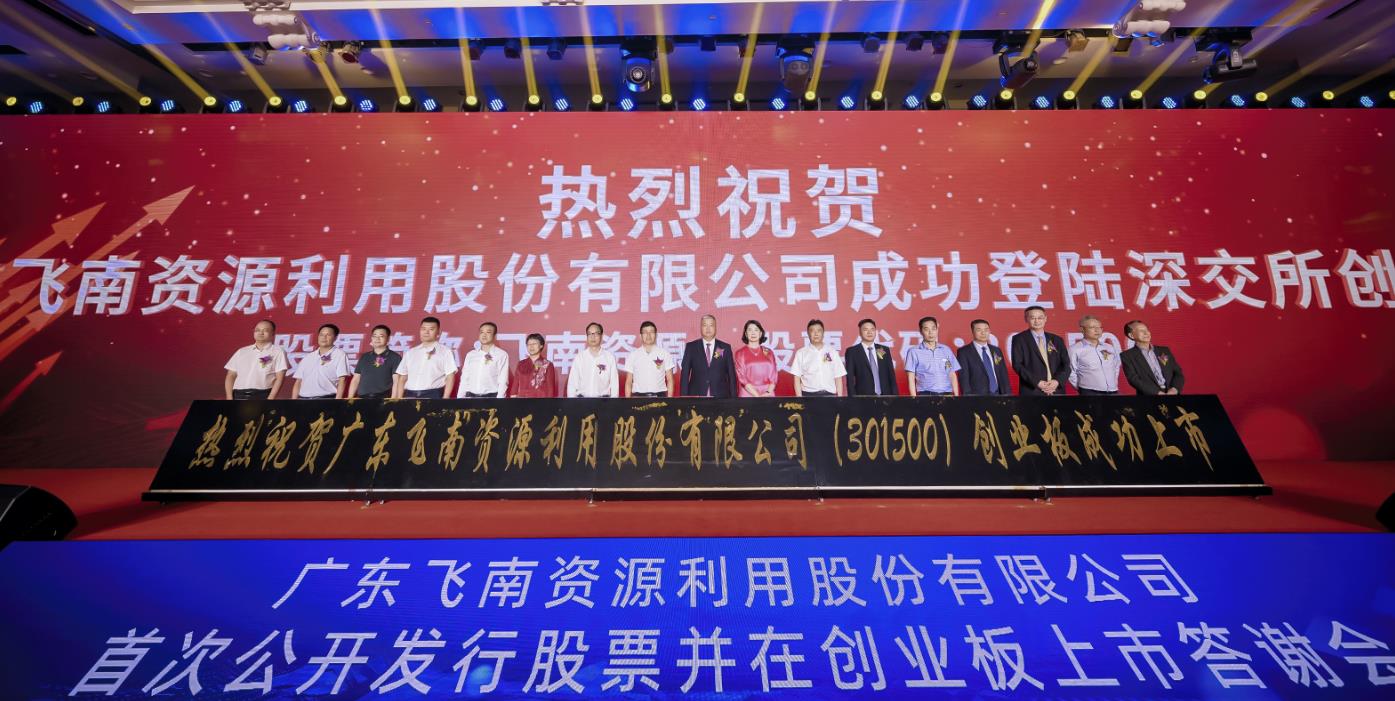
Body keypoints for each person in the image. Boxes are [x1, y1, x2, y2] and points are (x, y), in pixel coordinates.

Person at [1010, 306, 1071, 396]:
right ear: (1026, 319)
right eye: (1033, 318)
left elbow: (1066, 364)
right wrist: (1037, 382)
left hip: (1056, 389)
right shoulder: (1019, 339)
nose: (1037, 321)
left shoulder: (1057, 339)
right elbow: (1017, 365)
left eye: (1040, 318)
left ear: (1045, 319)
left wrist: (1057, 381)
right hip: (1032, 390)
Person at [392, 316, 457, 399]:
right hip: (409, 395)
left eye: (431, 329)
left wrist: (445, 398)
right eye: (423, 329)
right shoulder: (410, 352)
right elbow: (403, 378)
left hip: (433, 394)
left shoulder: (446, 352)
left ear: (438, 333)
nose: (426, 332)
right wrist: (399, 399)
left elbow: (450, 376)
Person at [223, 319, 288, 400]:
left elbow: (280, 378)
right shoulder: (242, 351)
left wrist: (270, 399)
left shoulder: (278, 351)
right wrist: (229, 397)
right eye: (257, 330)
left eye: (265, 330)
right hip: (238, 395)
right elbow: (231, 375)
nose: (261, 333)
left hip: (262, 395)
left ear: (273, 333)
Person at [678, 313, 737, 398]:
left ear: (715, 328)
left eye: (711, 325)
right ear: (700, 328)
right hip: (696, 396)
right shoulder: (691, 347)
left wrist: (734, 399)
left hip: (721, 397)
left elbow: (731, 375)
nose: (708, 328)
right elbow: (685, 374)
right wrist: (683, 398)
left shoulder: (725, 347)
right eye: (705, 325)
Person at [1121, 320, 1186, 395]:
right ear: (1131, 335)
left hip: (1171, 394)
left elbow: (1177, 373)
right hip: (1149, 397)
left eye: (1147, 330)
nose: (1146, 333)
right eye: (1141, 330)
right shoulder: (1127, 356)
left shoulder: (1164, 351)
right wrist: (1157, 393)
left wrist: (1174, 389)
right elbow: (1134, 380)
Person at [290, 323, 351, 399]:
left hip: (326, 399)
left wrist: (337, 401)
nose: (324, 337)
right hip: (303, 399)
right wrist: (294, 401)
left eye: (328, 335)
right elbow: (298, 381)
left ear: (335, 338)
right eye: (321, 334)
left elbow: (342, 379)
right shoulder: (308, 357)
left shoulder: (340, 355)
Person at [904, 316, 960, 396]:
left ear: (937, 330)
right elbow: (911, 377)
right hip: (926, 394)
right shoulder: (914, 351)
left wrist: (956, 396)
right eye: (926, 329)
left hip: (947, 394)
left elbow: (952, 374)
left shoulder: (946, 350)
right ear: (921, 331)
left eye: (933, 329)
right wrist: (914, 399)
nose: (930, 332)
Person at [1068, 315, 1121, 395]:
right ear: (1082, 329)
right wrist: (1082, 388)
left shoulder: (1109, 347)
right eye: (1092, 327)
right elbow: (1071, 371)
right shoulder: (1075, 349)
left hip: (1113, 391)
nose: (1097, 330)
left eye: (1099, 327)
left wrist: (1114, 383)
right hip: (1089, 392)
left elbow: (1116, 367)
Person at [844, 318, 899, 396]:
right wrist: (852, 398)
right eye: (865, 329)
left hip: (885, 396)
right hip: (863, 396)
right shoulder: (852, 351)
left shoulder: (883, 350)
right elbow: (850, 378)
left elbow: (891, 375)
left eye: (872, 329)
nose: (869, 332)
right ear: (860, 332)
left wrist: (895, 396)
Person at [792, 319, 846, 397]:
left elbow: (838, 376)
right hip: (808, 395)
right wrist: (799, 399)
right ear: (808, 334)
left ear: (823, 333)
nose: (816, 333)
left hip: (829, 395)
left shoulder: (832, 351)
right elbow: (796, 378)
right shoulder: (801, 353)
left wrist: (840, 399)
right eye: (812, 331)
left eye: (819, 331)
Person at [956, 319, 1011, 396]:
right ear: (972, 332)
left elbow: (1003, 374)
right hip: (977, 397)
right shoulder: (964, 352)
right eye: (979, 330)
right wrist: (968, 397)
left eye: (986, 330)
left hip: (998, 395)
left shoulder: (996, 350)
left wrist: (1007, 395)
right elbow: (964, 378)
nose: (983, 333)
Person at [457, 322, 509, 398]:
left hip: (491, 397)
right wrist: (460, 398)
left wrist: (499, 400)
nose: (484, 335)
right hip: (470, 397)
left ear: (494, 336)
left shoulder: (501, 355)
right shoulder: (471, 355)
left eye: (488, 332)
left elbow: (503, 380)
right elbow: (465, 378)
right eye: (481, 332)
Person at [567, 322, 619, 398]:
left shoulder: (609, 357)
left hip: (603, 401)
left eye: (596, 333)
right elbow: (572, 384)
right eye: (590, 334)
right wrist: (571, 402)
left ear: (602, 336)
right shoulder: (580, 357)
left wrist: (613, 403)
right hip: (582, 401)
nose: (593, 337)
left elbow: (614, 384)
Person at [348, 324, 401, 398]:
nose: (377, 339)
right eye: (374, 336)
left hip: (383, 398)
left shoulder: (395, 357)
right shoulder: (364, 357)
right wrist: (349, 398)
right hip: (362, 398)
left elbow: (396, 381)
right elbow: (356, 379)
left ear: (388, 339)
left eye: (381, 336)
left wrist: (393, 400)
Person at [626, 321, 675, 397]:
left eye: (651, 332)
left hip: (659, 397)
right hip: (638, 398)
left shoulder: (665, 354)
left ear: (656, 335)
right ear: (640, 336)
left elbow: (670, 379)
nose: (648, 335)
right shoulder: (633, 355)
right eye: (645, 332)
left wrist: (669, 400)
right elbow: (629, 381)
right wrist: (628, 401)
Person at [734, 320, 779, 397]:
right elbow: (742, 378)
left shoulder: (769, 352)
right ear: (746, 334)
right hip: (748, 393)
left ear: (760, 333)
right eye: (750, 330)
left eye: (756, 330)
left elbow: (774, 376)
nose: (753, 333)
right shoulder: (740, 353)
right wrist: (757, 396)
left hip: (768, 393)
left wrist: (768, 392)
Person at [510, 333, 560, 398]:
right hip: (523, 401)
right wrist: (513, 399)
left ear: (541, 345)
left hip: (541, 401)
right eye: (529, 344)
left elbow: (550, 389)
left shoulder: (547, 364)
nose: (531, 346)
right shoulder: (521, 364)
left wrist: (548, 403)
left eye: (534, 344)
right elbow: (515, 386)